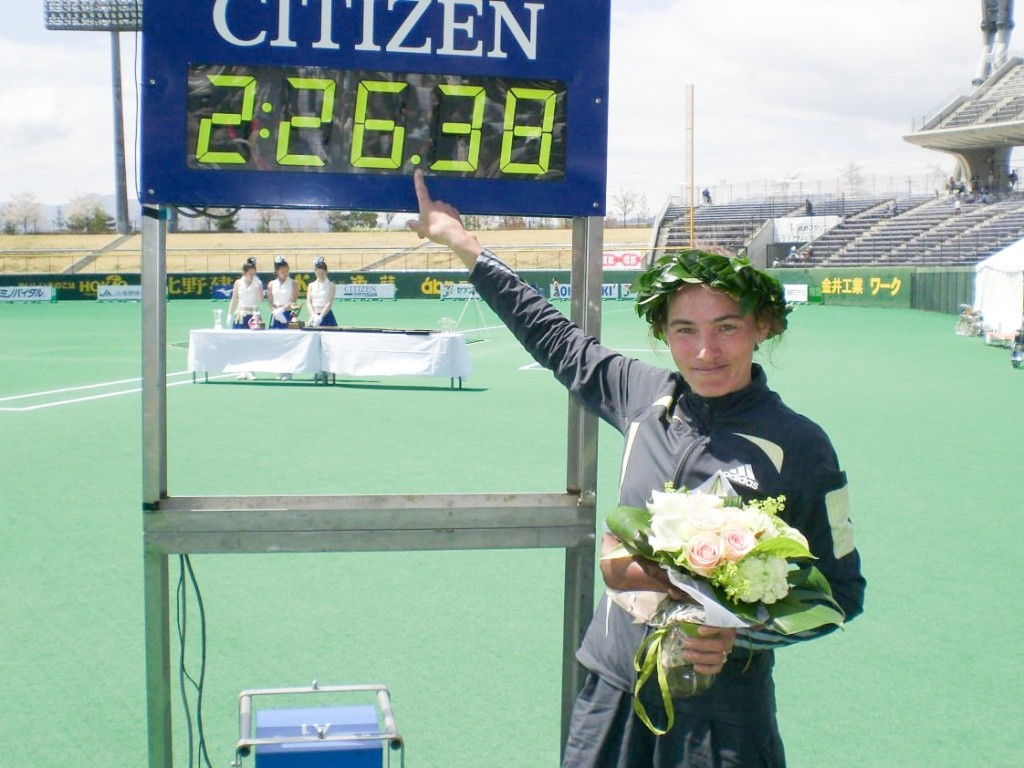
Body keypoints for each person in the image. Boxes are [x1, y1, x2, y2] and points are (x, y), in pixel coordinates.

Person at [407, 170, 865, 768]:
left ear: (761, 327)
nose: (706, 352)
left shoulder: (801, 445)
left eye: (726, 327)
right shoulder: (640, 394)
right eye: (685, 331)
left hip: (723, 713)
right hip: (613, 688)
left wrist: (741, 633)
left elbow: (842, 594)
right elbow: (555, 339)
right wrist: (462, 244)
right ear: (663, 337)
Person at [225, 256, 263, 380]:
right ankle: (243, 369)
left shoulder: (257, 282)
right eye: (249, 273)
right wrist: (230, 314)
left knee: (252, 343)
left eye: (253, 272)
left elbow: (261, 299)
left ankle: (252, 370)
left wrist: (257, 287)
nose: (251, 275)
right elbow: (234, 299)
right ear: (245, 272)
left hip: (253, 315)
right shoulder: (238, 282)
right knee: (240, 343)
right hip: (241, 315)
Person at [267, 255, 299, 329]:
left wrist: (282, 310)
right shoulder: (271, 284)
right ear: (277, 272)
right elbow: (270, 302)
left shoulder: (294, 283)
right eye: (282, 272)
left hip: (288, 314)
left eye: (287, 271)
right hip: (276, 314)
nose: (285, 273)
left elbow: (293, 301)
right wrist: (275, 312)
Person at [306, 256, 337, 327]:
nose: (320, 276)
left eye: (322, 274)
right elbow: (308, 302)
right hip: (313, 315)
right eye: (318, 274)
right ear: (315, 272)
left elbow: (329, 302)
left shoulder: (331, 285)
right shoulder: (311, 285)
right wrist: (313, 315)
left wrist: (320, 317)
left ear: (326, 272)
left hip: (326, 316)